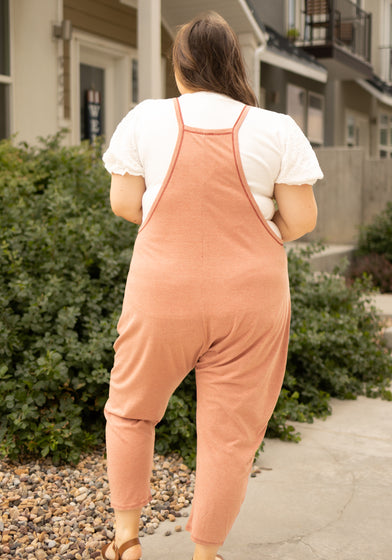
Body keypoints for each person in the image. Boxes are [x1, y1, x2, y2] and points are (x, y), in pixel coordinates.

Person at [101, 11, 322, 560]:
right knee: (230, 437)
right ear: (234, 65)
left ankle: (127, 544)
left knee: (131, 412)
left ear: (178, 68)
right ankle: (206, 554)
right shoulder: (276, 129)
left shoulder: (145, 119)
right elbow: (300, 222)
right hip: (251, 302)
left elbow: (126, 205)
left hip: (161, 295)